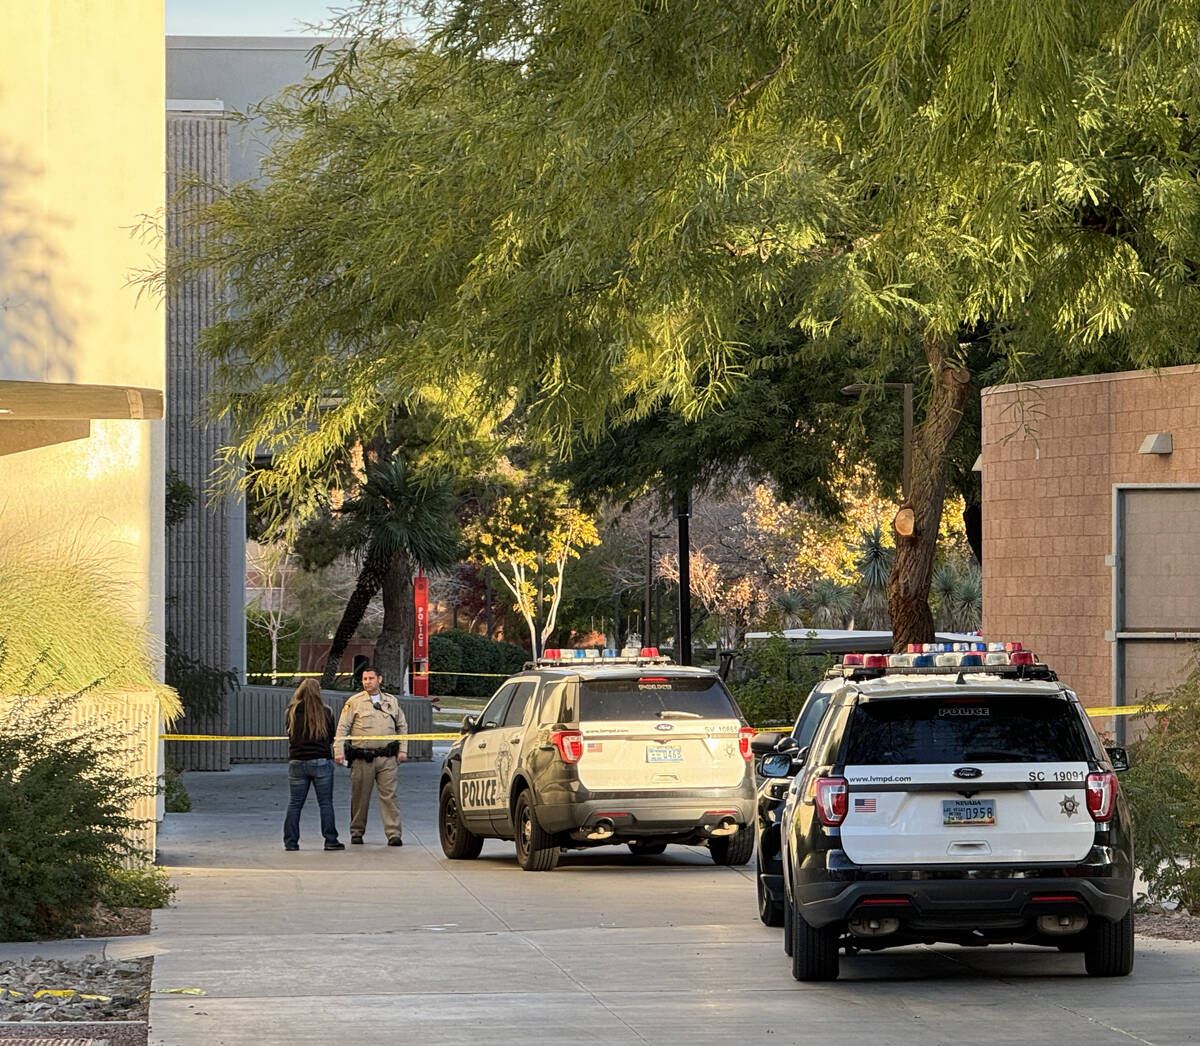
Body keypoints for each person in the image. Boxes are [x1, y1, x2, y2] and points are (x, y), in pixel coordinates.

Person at [334, 665, 407, 846]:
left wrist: (403, 749)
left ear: (379, 679)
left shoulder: (391, 701)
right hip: (362, 758)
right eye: (365, 679)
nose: (367, 682)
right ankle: (357, 831)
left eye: (371, 678)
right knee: (360, 796)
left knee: (389, 796)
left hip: (387, 758)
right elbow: (343, 728)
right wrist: (338, 751)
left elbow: (402, 726)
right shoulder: (354, 702)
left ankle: (393, 834)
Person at [283, 679, 345, 851]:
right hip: (321, 761)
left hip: (297, 761)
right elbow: (331, 737)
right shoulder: (326, 711)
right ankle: (330, 840)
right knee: (325, 803)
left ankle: (291, 842)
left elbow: (290, 735)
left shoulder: (292, 711)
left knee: (295, 803)